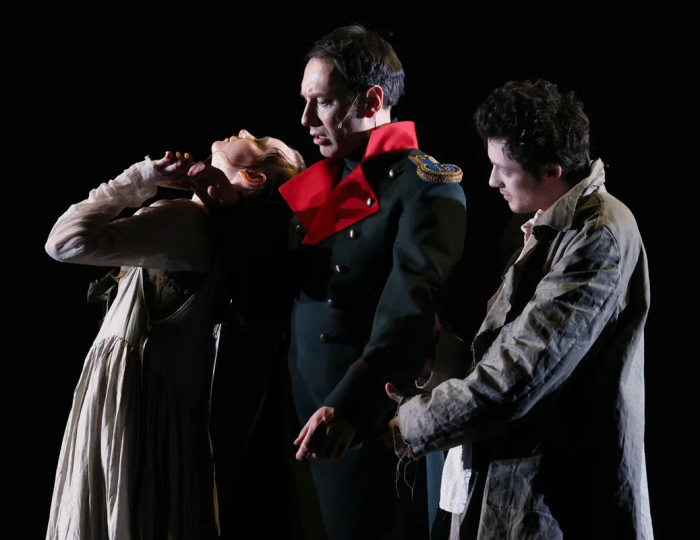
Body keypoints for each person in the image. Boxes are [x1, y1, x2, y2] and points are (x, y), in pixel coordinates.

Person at [387, 80, 653, 539]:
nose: (492, 181)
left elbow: (518, 379)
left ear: (551, 170)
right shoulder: (540, 225)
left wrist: (409, 426)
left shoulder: (598, 235)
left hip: (558, 497)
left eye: (504, 169)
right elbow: (510, 353)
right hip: (515, 483)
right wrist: (442, 354)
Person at [44, 131, 305, 540]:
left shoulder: (188, 221)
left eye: (257, 140)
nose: (243, 132)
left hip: (132, 400)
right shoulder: (216, 233)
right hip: (162, 408)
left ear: (252, 177)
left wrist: (141, 177)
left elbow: (64, 243)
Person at [282, 24, 467, 539]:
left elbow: (409, 308)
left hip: (365, 420)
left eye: (322, 102)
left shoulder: (427, 185)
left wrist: (349, 407)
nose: (305, 119)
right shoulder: (321, 182)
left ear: (372, 100)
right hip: (303, 411)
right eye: (304, 101)